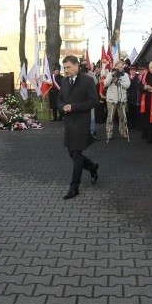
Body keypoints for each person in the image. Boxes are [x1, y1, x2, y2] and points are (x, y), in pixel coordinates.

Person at [56, 55, 99, 199]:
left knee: (77, 155)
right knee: (72, 154)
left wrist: (74, 107)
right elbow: (60, 100)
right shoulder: (63, 81)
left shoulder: (88, 81)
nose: (66, 70)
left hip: (81, 122)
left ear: (76, 66)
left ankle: (74, 187)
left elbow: (93, 101)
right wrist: (62, 108)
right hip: (68, 123)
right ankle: (92, 167)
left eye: (68, 67)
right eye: (64, 68)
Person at [102, 60, 130, 142]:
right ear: (115, 67)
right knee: (110, 117)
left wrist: (119, 81)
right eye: (118, 67)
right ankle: (109, 133)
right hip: (111, 99)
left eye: (121, 67)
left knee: (122, 117)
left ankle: (123, 131)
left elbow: (127, 85)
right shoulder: (110, 74)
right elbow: (105, 84)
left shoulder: (125, 75)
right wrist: (111, 76)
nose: (120, 68)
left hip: (122, 99)